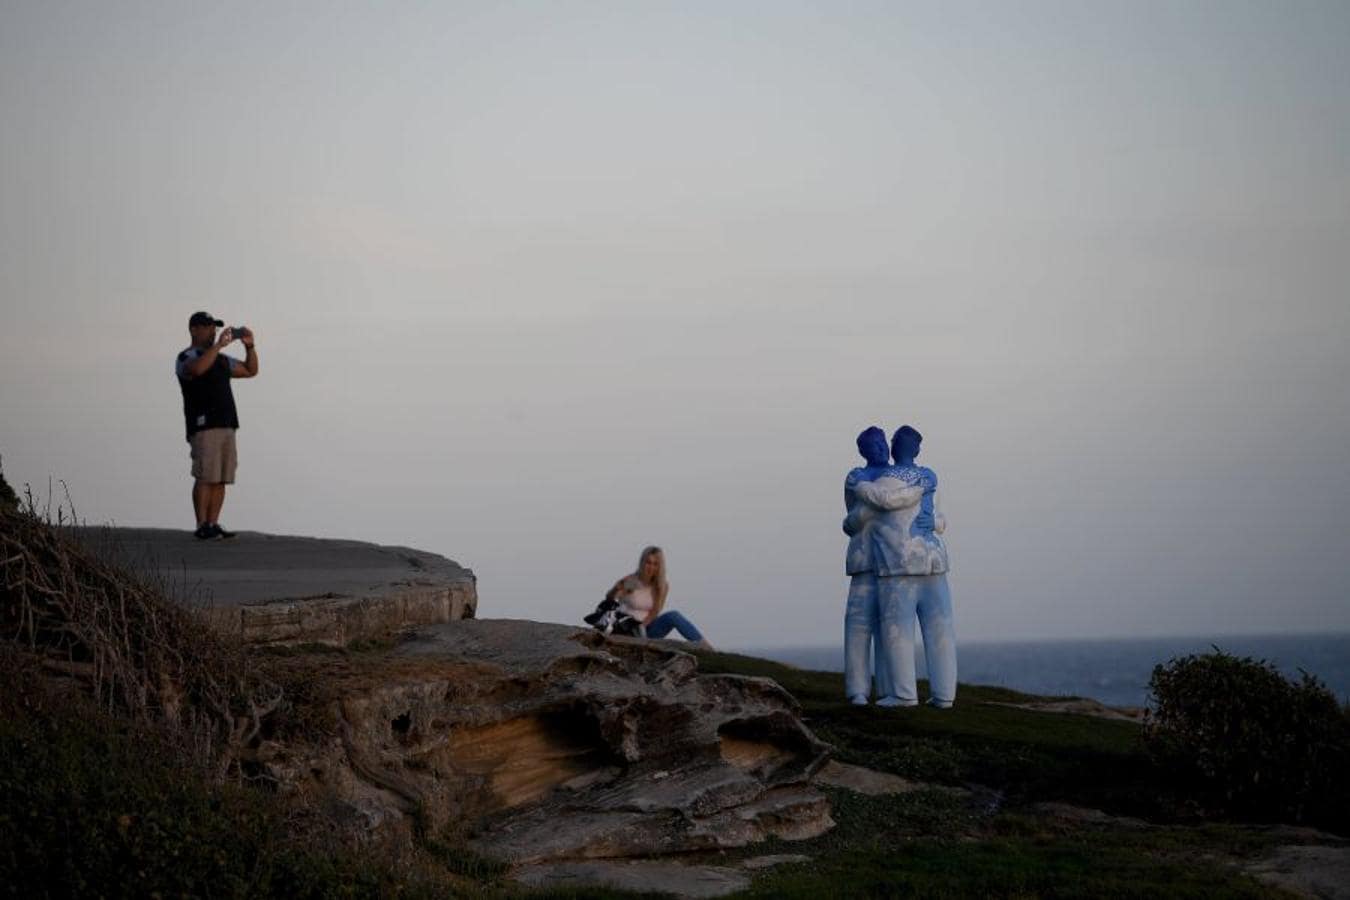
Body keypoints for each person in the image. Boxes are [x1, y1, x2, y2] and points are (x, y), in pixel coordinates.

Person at [853, 425, 957, 708]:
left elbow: (887, 501)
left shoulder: (882, 481)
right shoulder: (929, 477)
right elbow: (941, 517)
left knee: (898, 631)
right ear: (917, 450)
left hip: (899, 567)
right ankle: (944, 695)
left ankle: (904, 694)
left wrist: (861, 486)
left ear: (894, 447)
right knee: (940, 630)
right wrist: (929, 509)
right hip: (934, 563)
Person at [842, 426, 919, 705]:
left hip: (894, 564)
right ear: (863, 451)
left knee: (892, 629)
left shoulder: (898, 476)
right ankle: (857, 690)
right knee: (858, 626)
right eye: (873, 446)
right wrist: (867, 514)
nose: (881, 450)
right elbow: (849, 521)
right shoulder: (856, 477)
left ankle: (891, 690)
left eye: (882, 444)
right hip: (864, 562)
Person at [175, 311, 258, 540]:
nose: (213, 331)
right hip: (203, 424)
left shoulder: (221, 360)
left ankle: (213, 523)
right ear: (194, 329)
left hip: (226, 423)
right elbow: (197, 369)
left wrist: (250, 347)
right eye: (208, 327)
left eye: (214, 327)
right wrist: (218, 346)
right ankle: (202, 524)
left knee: (221, 476)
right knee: (205, 475)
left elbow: (250, 370)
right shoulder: (187, 356)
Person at [606, 546, 712, 649]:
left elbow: (655, 611)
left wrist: (642, 626)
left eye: (655, 564)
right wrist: (615, 589)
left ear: (659, 567)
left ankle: (705, 647)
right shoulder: (631, 580)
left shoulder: (661, 586)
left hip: (646, 629)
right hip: (626, 628)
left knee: (673, 615)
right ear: (642, 563)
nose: (651, 567)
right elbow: (610, 599)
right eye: (648, 562)